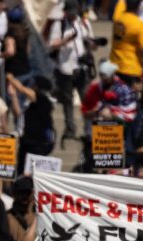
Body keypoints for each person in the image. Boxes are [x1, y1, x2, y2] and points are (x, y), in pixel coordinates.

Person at [49, 1, 95, 143]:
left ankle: (88, 130)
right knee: (67, 101)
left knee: (86, 100)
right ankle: (70, 128)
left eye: (75, 12)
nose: (74, 15)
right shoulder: (59, 25)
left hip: (81, 68)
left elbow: (90, 41)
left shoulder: (83, 23)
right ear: (65, 12)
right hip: (65, 68)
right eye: (71, 13)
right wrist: (66, 40)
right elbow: (52, 44)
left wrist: (91, 45)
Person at [110, 0, 143, 79]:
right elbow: (142, 50)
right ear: (139, 6)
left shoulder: (118, 19)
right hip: (131, 68)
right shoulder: (139, 24)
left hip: (114, 64)